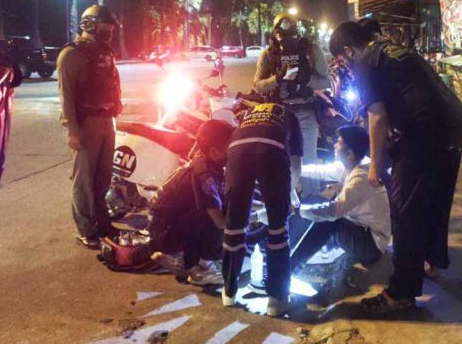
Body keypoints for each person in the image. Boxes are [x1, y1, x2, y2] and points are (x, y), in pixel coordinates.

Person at [329, 21, 462, 313]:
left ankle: (401, 292)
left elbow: (377, 116)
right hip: (453, 124)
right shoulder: (395, 51)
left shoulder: (365, 61)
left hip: (425, 133)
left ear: (348, 51)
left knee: (404, 211)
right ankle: (430, 261)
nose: (345, 68)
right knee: (434, 199)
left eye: (341, 61)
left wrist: (374, 166)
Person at [222, 102, 303, 317]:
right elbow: (296, 165)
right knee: (278, 228)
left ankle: (229, 292)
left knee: (234, 225)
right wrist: (288, 196)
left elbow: (247, 145)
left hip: (237, 149)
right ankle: (277, 300)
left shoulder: (250, 113)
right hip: (272, 150)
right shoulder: (290, 115)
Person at [57, 5, 123, 249]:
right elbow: (66, 95)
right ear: (89, 24)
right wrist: (72, 130)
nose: (109, 32)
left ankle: (102, 223)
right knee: (84, 180)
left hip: (107, 120)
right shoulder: (71, 55)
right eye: (105, 27)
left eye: (111, 28)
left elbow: (112, 82)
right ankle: (85, 229)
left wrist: (117, 105)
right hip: (87, 124)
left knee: (103, 178)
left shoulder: (105, 52)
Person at [291, 126, 391, 283]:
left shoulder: (361, 178)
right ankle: (297, 254)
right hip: (359, 229)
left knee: (329, 221)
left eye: (338, 142)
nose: (334, 145)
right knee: (315, 205)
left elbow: (334, 212)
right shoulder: (352, 163)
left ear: (349, 154)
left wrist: (297, 210)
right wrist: (295, 169)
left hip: (372, 245)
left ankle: (290, 269)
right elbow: (321, 171)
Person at [148, 120, 234, 286]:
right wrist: (255, 216)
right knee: (215, 215)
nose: (232, 152)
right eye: (229, 148)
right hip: (164, 232)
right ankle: (201, 267)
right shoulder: (205, 177)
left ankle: (181, 255)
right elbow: (220, 222)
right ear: (214, 151)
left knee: (216, 208)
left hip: (163, 226)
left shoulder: (203, 160)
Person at [253, 13, 330, 198]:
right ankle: (284, 199)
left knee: (309, 159)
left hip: (306, 110)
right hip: (280, 114)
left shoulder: (311, 51)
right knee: (281, 159)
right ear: (275, 33)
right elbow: (258, 86)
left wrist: (306, 79)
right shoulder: (269, 54)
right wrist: (278, 78)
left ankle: (311, 197)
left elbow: (326, 81)